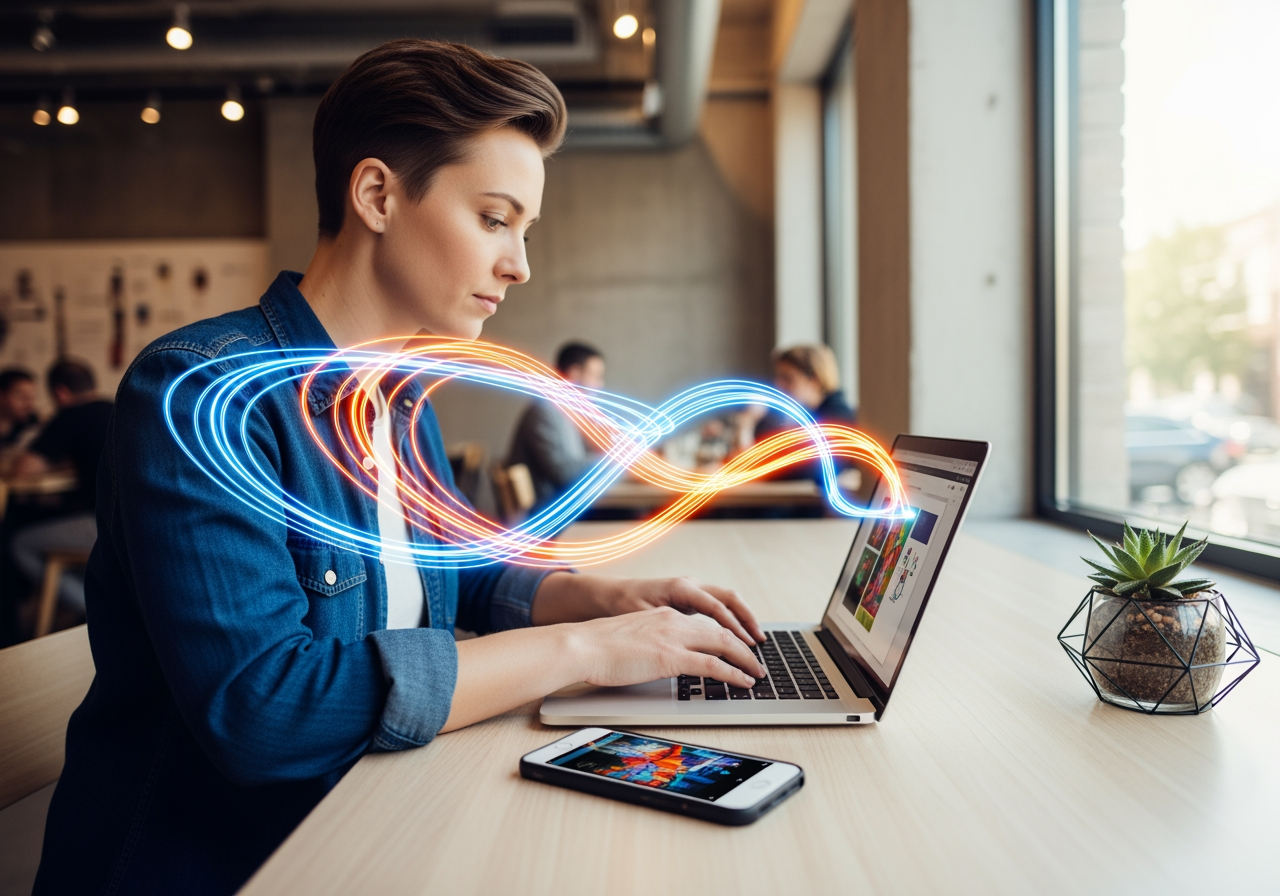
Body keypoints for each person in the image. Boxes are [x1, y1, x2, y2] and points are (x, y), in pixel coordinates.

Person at [35, 40, 765, 896]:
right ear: (377, 194)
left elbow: (461, 572)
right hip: (234, 868)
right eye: (495, 219)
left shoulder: (397, 400)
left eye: (525, 231)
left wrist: (603, 597)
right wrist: (584, 648)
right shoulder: (205, 393)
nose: (519, 265)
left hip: (372, 827)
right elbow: (265, 709)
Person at [9, 358, 113, 615]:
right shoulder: (117, 406)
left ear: (60, 392)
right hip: (142, 522)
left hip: (102, 525)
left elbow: (23, 472)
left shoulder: (71, 414)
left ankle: (98, 611)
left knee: (19, 543)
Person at [506, 341, 605, 511]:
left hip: (566, 507)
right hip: (552, 514)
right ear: (574, 373)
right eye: (595, 376)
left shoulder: (565, 412)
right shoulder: (545, 412)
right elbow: (564, 474)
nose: (600, 384)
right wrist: (615, 459)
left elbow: (575, 462)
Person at [737, 344, 857, 480]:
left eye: (788, 378)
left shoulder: (838, 418)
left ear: (815, 379)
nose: (779, 386)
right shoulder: (808, 417)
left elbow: (800, 469)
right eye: (778, 378)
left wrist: (748, 422)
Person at [0, 367, 38, 464]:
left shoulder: (32, 421)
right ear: (2, 396)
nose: (29, 404)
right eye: (21, 397)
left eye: (31, 398)